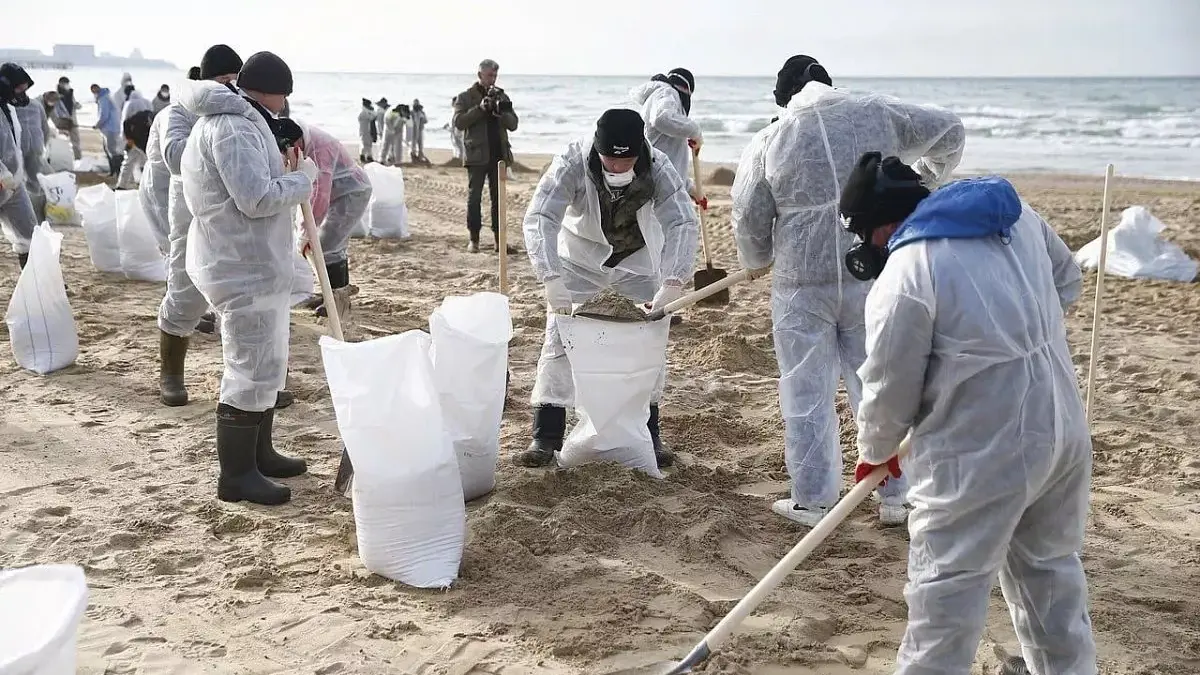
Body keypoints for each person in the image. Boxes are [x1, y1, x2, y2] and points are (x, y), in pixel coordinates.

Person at [839, 152, 1095, 675]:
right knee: (1052, 581)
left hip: (980, 454)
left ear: (883, 227)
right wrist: (1015, 332)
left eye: (866, 238)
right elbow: (1066, 281)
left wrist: (875, 454)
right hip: (1063, 429)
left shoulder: (908, 272)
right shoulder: (1017, 217)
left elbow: (888, 388)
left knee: (945, 598)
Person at [730, 54, 966, 528]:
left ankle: (814, 500)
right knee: (881, 383)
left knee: (805, 391)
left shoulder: (771, 139)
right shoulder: (875, 113)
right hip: (872, 271)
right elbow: (950, 130)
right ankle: (896, 496)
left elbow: (748, 215)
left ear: (784, 97)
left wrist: (756, 261)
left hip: (801, 283)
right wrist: (920, 185)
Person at [517, 108, 699, 469]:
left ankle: (649, 432)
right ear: (597, 152)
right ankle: (546, 434)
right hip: (579, 258)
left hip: (637, 259)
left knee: (647, 339)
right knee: (559, 338)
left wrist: (674, 281)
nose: (617, 168)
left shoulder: (658, 167)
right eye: (609, 161)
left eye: (626, 160)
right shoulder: (572, 161)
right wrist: (550, 276)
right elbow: (541, 217)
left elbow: (682, 221)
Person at [179, 51, 316, 505]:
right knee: (248, 367)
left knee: (267, 364)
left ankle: (261, 454)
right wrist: (304, 181)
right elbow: (255, 199)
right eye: (283, 96)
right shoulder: (233, 127)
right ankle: (236, 475)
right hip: (240, 265)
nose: (284, 105)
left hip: (255, 261)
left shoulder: (245, 119)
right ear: (270, 90)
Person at [156, 45, 241, 407]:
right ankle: (170, 375)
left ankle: (247, 381)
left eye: (236, 83)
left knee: (240, 294)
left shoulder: (242, 108)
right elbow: (175, 158)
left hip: (233, 212)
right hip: (190, 210)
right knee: (185, 288)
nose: (231, 90)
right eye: (225, 82)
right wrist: (214, 131)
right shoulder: (179, 111)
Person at [290, 120, 372, 319]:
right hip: (340, 192)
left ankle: (337, 300)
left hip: (352, 192)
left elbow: (320, 194)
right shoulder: (305, 139)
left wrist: (306, 231)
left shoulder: (320, 149)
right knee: (333, 245)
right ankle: (334, 296)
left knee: (329, 245)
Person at [453, 58, 518, 253]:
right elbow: (459, 122)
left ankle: (500, 241)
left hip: (498, 154)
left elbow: (513, 124)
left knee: (499, 200)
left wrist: (501, 113)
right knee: (474, 198)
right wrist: (480, 109)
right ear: (480, 75)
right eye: (490, 75)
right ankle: (474, 240)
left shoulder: (501, 95)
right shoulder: (466, 97)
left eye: (495, 75)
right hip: (477, 155)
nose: (493, 79)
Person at [630, 68, 705, 203]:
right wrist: (696, 132)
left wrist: (690, 188)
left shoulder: (662, 97)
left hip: (664, 182)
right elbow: (661, 118)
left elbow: (670, 157)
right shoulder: (667, 92)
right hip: (659, 184)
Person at [0, 63, 39, 270]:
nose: (22, 94)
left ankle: (35, 280)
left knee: (30, 233)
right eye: (19, 88)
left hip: (13, 183)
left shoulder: (9, 109)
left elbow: (13, 146)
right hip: (1, 181)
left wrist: (13, 176)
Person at [13, 83, 56, 223]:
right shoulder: (32, 105)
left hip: (26, 149)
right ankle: (32, 216)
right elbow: (45, 128)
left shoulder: (31, 105)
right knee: (27, 182)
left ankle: (31, 216)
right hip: (25, 149)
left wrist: (41, 146)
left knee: (27, 182)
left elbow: (45, 128)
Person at [117, 85, 153, 189]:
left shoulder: (129, 104)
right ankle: (144, 184)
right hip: (146, 138)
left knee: (128, 162)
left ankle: (121, 185)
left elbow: (124, 121)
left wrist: (126, 138)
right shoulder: (147, 103)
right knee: (146, 162)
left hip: (134, 138)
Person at [90, 83, 124, 177]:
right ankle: (114, 171)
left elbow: (104, 115)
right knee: (109, 149)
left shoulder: (103, 99)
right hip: (112, 127)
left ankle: (117, 171)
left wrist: (97, 125)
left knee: (111, 150)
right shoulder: (106, 96)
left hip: (110, 128)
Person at [53, 77, 82, 160]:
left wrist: (77, 105)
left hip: (73, 121)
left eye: (67, 84)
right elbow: (55, 110)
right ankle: (63, 160)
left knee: (76, 142)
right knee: (63, 142)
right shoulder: (56, 96)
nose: (67, 85)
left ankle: (78, 160)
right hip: (63, 122)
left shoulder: (70, 94)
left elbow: (74, 105)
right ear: (60, 84)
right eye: (65, 84)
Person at [409, 98, 428, 164]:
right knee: (413, 144)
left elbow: (426, 121)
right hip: (413, 130)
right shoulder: (411, 112)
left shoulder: (422, 112)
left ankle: (420, 157)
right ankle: (413, 157)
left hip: (420, 130)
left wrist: (422, 120)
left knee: (420, 144)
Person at [357, 98, 376, 163]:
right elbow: (372, 117)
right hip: (365, 130)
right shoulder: (364, 112)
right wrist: (372, 111)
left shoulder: (366, 111)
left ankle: (369, 156)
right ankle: (363, 156)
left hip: (367, 130)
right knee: (365, 144)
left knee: (368, 143)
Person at [449, 96, 465, 163]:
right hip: (453, 130)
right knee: (455, 144)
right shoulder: (453, 111)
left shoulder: (458, 111)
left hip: (458, 130)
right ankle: (457, 157)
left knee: (459, 145)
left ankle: (460, 158)